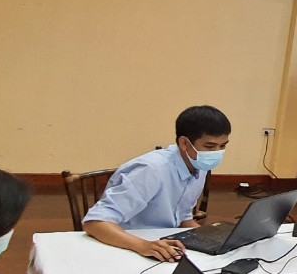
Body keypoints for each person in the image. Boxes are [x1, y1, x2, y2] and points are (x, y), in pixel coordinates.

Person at [83, 105, 232, 261]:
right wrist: (143, 246)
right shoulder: (151, 170)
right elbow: (95, 222)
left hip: (162, 244)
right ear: (184, 143)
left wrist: (212, 239)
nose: (217, 153)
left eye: (223, 146)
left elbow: (182, 217)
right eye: (209, 146)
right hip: (127, 246)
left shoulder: (198, 165)